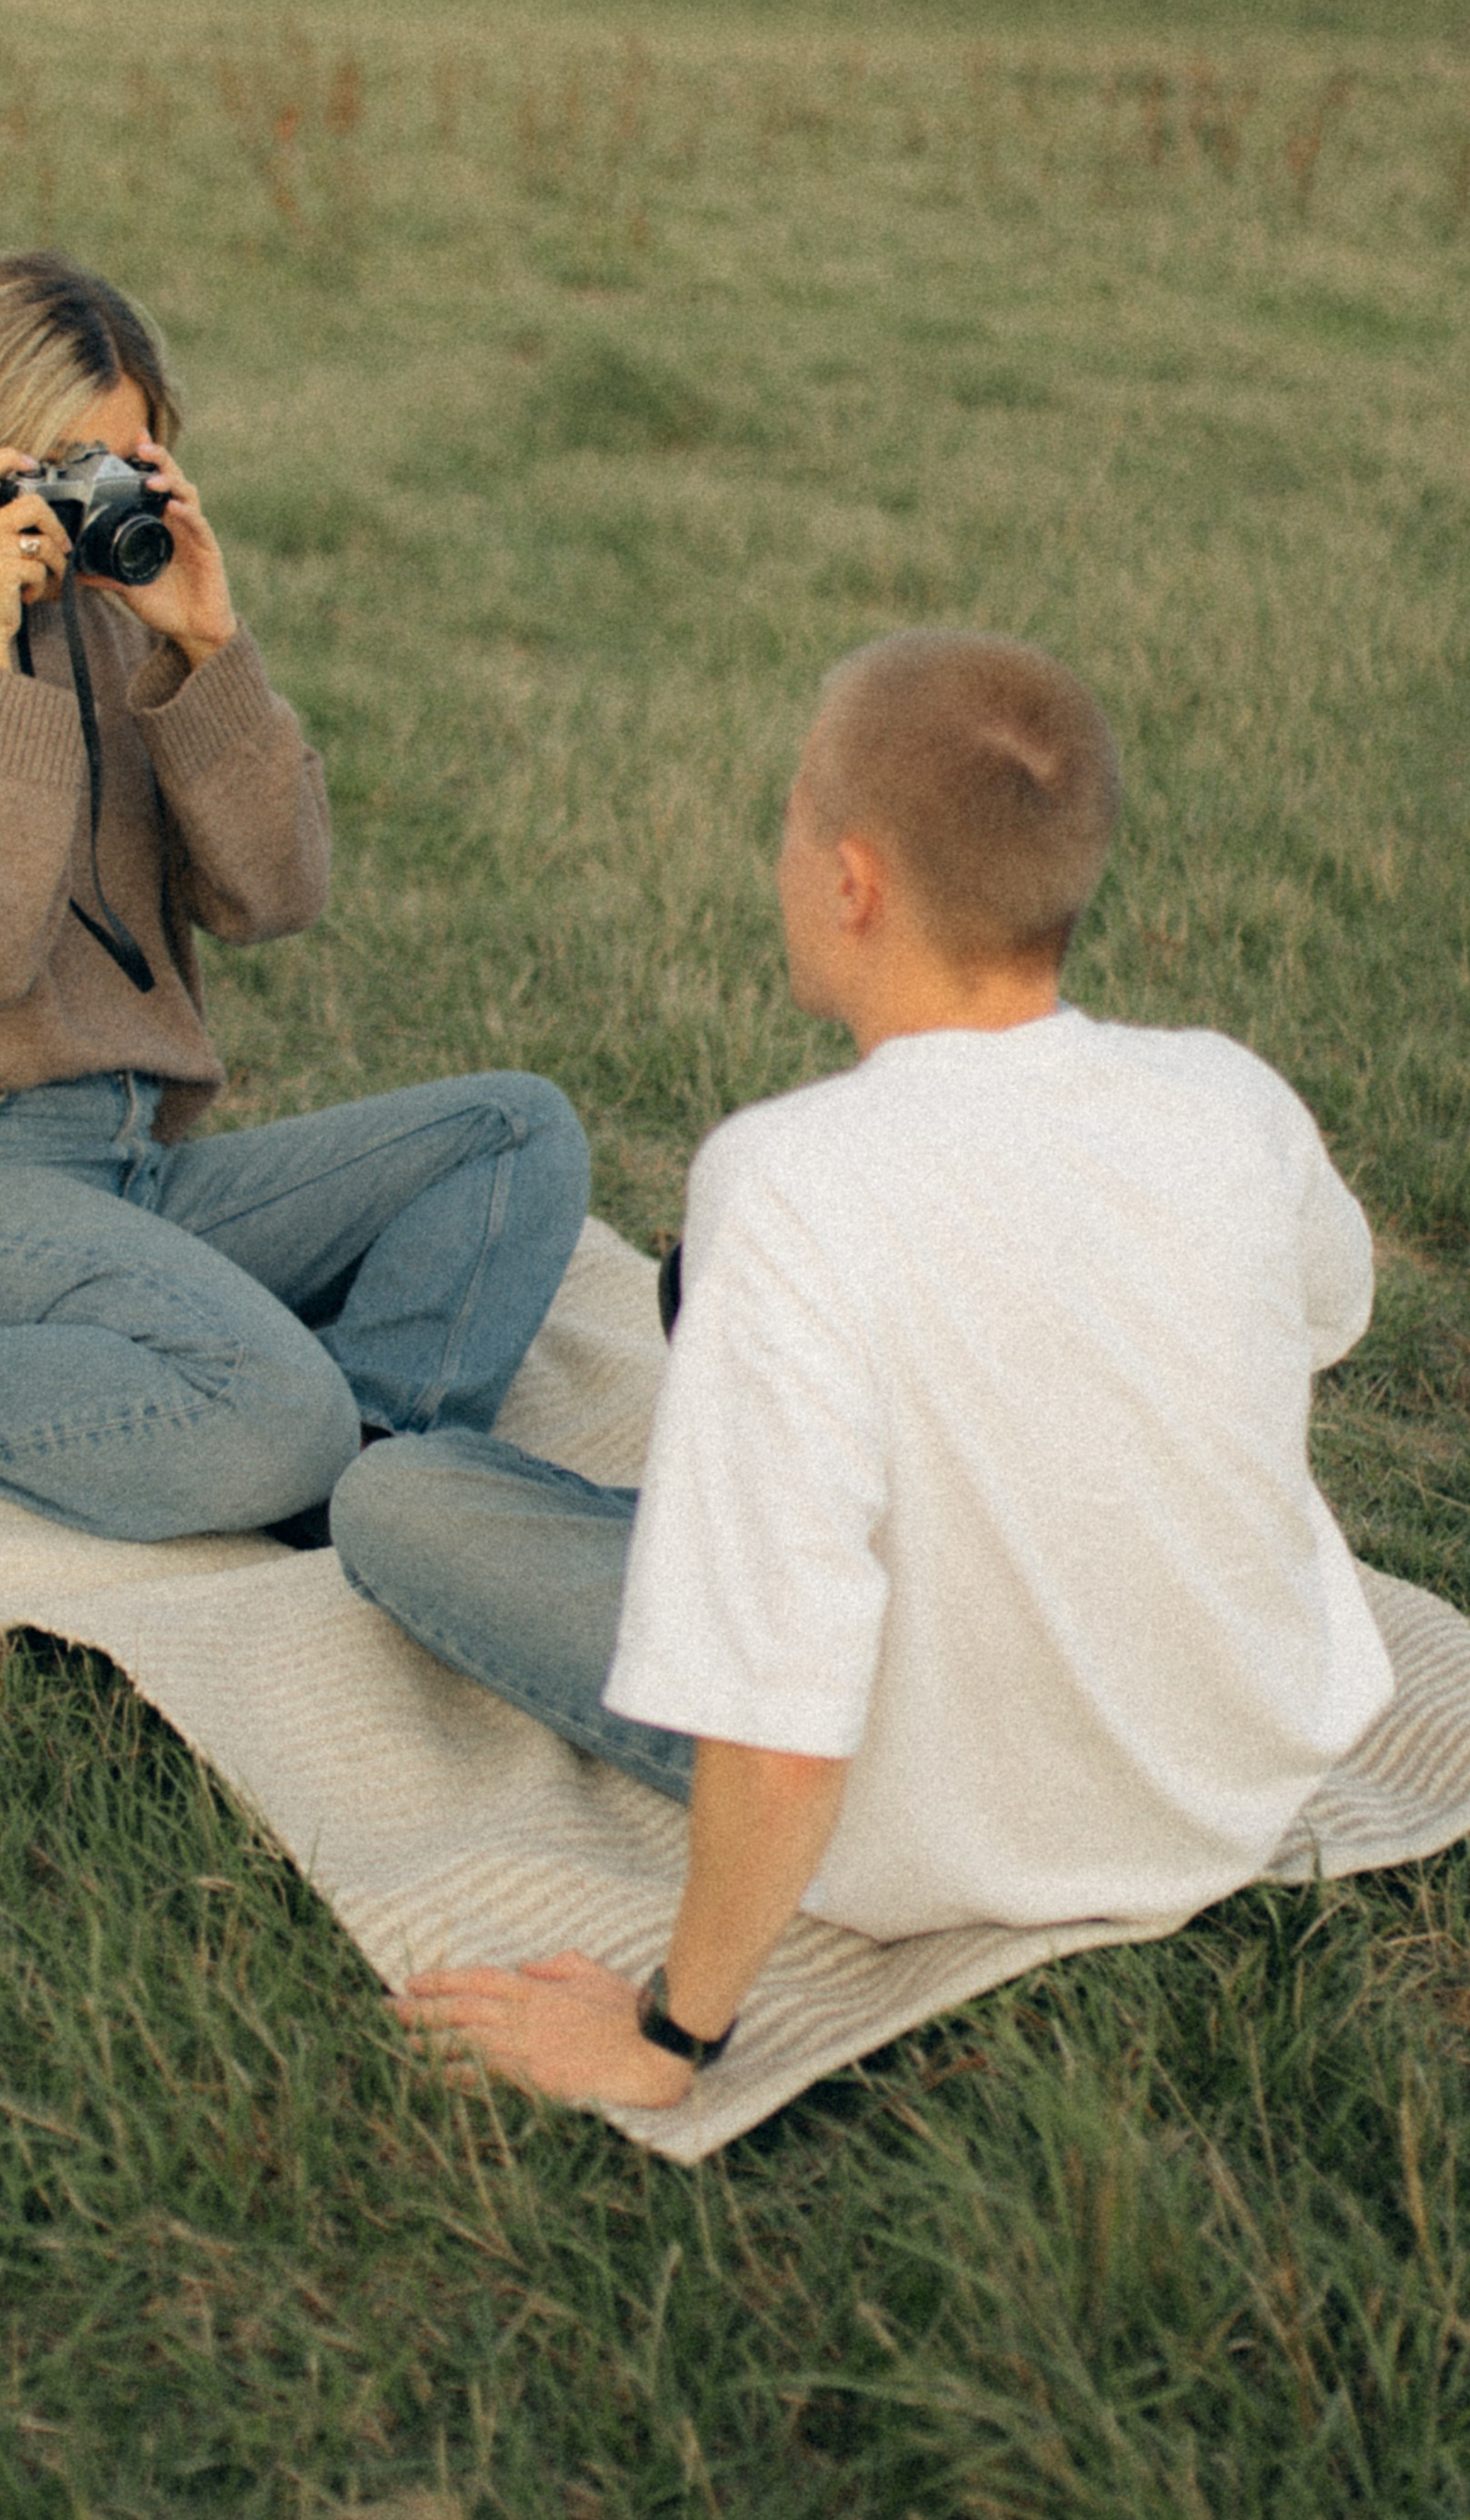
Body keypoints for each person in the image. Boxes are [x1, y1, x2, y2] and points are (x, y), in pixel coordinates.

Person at [331, 629, 1393, 2113]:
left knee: (403, 1495)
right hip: (1233, 1782)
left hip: (944, 1826)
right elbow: (1319, 1317)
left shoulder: (787, 1183)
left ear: (852, 880)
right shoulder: (1232, 1094)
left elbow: (776, 1711)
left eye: (787, 814)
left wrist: (668, 2037)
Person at [0, 251, 587, 1548]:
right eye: (66, 467)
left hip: (138, 1169)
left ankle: (364, 1463)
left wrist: (209, 649)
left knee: (513, 1132)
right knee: (271, 1409)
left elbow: (276, 895)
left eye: (131, 460)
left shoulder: (123, 624)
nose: (100, 501)